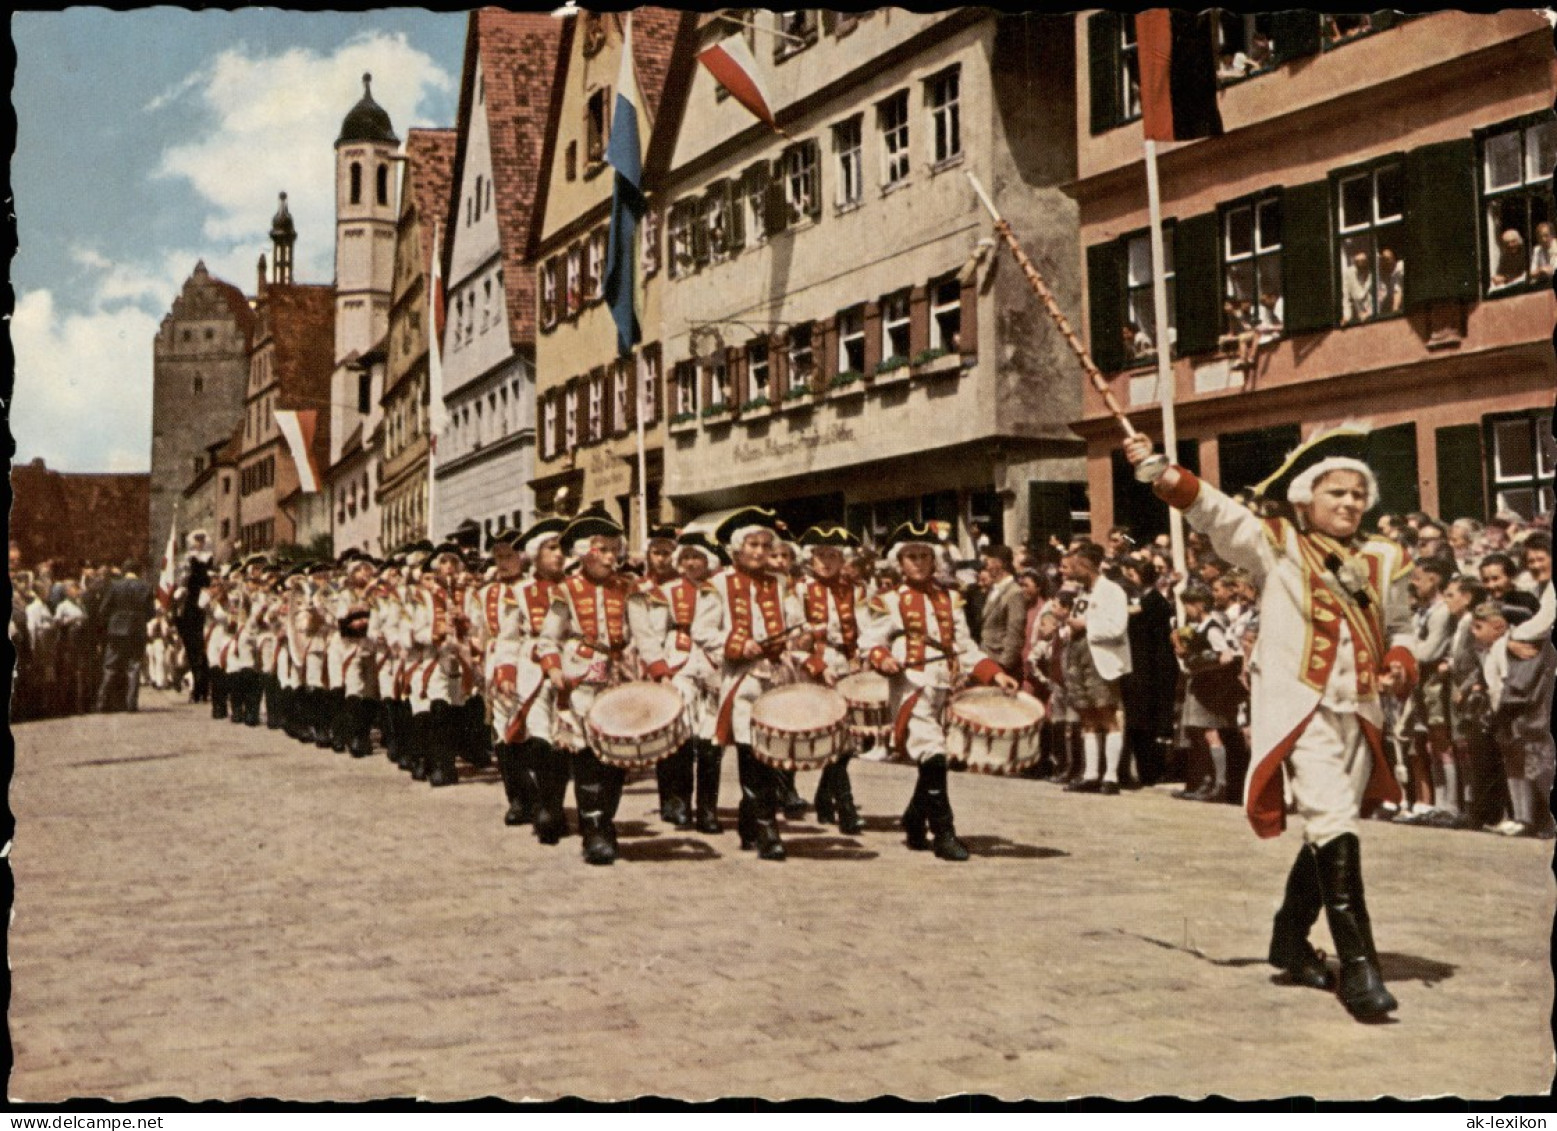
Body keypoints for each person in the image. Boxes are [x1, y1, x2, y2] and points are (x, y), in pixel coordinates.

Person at [1125, 424, 1417, 1022]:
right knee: (1334, 823)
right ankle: (1360, 970)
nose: (1349, 503)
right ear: (1307, 498)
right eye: (1336, 493)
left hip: (1359, 710)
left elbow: (1403, 628)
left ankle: (1287, 939)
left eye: (1358, 494)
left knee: (1331, 825)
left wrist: (1399, 661)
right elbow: (1218, 514)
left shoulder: (1387, 558)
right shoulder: (1277, 542)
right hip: (1299, 707)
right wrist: (1162, 473)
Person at [861, 521, 1020, 860]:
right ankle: (944, 831)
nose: (918, 562)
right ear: (899, 563)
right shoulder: (887, 601)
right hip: (910, 685)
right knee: (932, 754)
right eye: (911, 556)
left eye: (924, 555)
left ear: (935, 561)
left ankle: (914, 817)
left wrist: (994, 674)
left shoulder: (951, 598)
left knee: (935, 758)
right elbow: (870, 642)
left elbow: (964, 647)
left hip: (944, 686)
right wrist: (883, 658)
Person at [697, 507, 808, 861]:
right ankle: (767, 830)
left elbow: (796, 623)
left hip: (776, 676)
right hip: (740, 677)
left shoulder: (780, 583)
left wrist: (802, 638)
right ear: (736, 550)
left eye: (765, 545)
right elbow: (702, 631)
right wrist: (737, 645)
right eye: (752, 545)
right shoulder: (717, 585)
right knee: (751, 750)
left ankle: (751, 820)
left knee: (770, 752)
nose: (760, 552)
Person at [536, 509, 639, 865]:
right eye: (603, 549)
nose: (611, 557)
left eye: (615, 550)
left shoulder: (627, 587)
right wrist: (553, 669)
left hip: (618, 675)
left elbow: (642, 632)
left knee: (616, 758)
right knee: (587, 756)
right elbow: (548, 640)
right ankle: (593, 829)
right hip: (579, 677)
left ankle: (602, 820)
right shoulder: (566, 590)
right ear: (584, 552)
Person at [795, 525, 868, 834]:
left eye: (833, 555)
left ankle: (826, 796)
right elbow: (794, 640)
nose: (826, 561)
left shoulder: (854, 590)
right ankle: (845, 807)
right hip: (812, 665)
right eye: (820, 554)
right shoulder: (798, 590)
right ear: (811, 558)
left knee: (847, 740)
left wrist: (860, 659)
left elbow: (862, 631)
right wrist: (815, 664)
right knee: (831, 737)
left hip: (845, 664)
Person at [1058, 542, 1132, 795]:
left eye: (1076, 564)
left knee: (1108, 715)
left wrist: (1086, 624)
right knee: (1087, 717)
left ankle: (1110, 776)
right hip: (1077, 657)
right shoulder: (1082, 593)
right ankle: (1090, 774)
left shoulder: (1112, 591)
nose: (1071, 570)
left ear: (1088, 564)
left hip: (1100, 659)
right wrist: (1065, 629)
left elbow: (1117, 627)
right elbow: (1075, 623)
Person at [94, 559, 155, 713]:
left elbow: (104, 609)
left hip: (116, 629)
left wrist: (112, 621)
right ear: (139, 571)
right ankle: (131, 703)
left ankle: (101, 702)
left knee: (110, 665)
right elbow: (151, 612)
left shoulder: (115, 585)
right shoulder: (146, 587)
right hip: (137, 629)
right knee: (134, 666)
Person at [977, 544, 1029, 682]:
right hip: (988, 660)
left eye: (988, 562)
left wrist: (1003, 666)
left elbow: (1015, 633)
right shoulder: (995, 589)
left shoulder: (1014, 593)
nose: (986, 567)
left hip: (1001, 664)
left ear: (998, 563)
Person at [1340, 250, 1375, 324]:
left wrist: (1368, 313)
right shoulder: (1348, 274)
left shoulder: (1373, 273)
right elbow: (1346, 297)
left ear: (1367, 261)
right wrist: (1346, 317)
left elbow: (1380, 297)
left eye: (1363, 261)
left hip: (1374, 314)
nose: (1360, 263)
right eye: (1357, 261)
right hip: (1358, 316)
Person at [1376, 248, 1404, 316]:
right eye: (1384, 260)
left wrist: (1395, 311)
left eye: (1388, 259)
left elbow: (1398, 291)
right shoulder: (1383, 275)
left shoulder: (1401, 267)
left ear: (1394, 259)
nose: (1386, 262)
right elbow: (1381, 296)